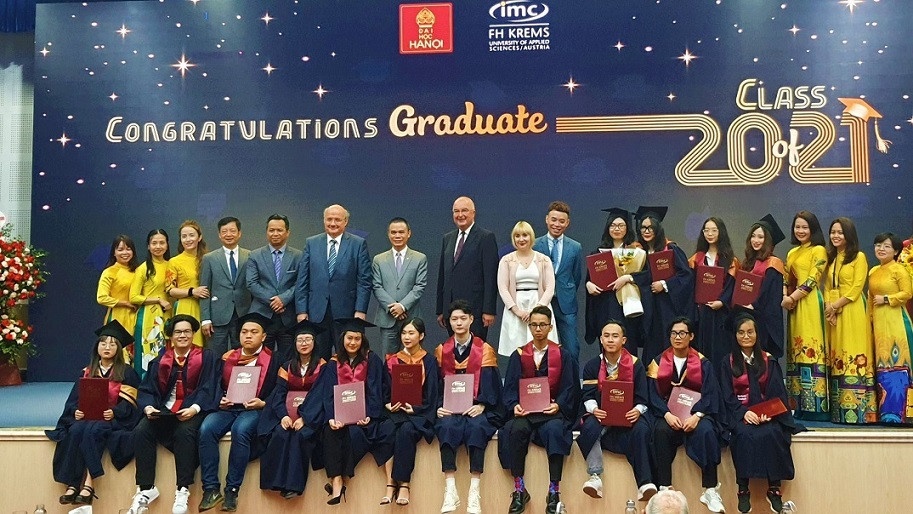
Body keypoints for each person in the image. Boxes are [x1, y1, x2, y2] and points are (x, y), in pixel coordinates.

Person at [125, 314, 219, 514]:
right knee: (142, 429)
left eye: (187, 331)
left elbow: (209, 387)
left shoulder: (206, 357)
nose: (182, 335)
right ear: (171, 336)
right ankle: (146, 489)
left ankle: (182, 490)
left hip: (192, 410)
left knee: (185, 432)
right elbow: (147, 389)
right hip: (165, 410)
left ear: (193, 334)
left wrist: (194, 408)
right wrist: (148, 407)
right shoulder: (161, 360)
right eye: (178, 332)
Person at [47, 320, 140, 507]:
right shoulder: (87, 372)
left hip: (110, 420)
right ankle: (73, 484)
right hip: (87, 418)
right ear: (97, 347)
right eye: (103, 343)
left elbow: (131, 404)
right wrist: (76, 411)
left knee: (93, 431)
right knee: (75, 430)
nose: (107, 347)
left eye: (112, 344)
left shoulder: (127, 373)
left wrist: (114, 412)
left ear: (119, 349)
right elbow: (73, 401)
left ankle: (89, 483)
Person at [498, 306, 579, 514]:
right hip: (526, 413)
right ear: (529, 326)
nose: (538, 329)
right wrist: (514, 405)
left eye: (543, 325)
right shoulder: (518, 355)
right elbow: (510, 388)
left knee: (555, 430)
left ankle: (554, 491)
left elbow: (570, 388)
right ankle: (519, 489)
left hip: (551, 412)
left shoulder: (562, 355)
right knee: (516, 429)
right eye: (534, 324)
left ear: (550, 327)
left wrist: (559, 405)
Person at [198, 312, 281, 512]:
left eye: (254, 332)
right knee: (206, 428)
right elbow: (215, 385)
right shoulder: (228, 357)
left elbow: (280, 390)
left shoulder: (275, 359)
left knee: (241, 429)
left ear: (263, 336)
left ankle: (232, 490)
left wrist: (263, 403)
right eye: (244, 332)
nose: (248, 336)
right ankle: (210, 488)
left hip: (255, 409)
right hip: (229, 408)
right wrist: (220, 399)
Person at [306, 317, 393, 505]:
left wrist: (368, 415)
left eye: (357, 339)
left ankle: (339, 482)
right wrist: (331, 418)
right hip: (340, 417)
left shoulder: (372, 360)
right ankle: (337, 481)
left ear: (363, 340)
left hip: (364, 419)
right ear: (342, 339)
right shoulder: (333, 363)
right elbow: (328, 395)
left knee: (353, 435)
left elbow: (376, 391)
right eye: (349, 338)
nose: (353, 342)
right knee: (330, 432)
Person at [718, 311, 796, 514]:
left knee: (773, 433)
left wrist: (768, 413)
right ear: (735, 335)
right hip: (740, 415)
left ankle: (774, 487)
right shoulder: (728, 362)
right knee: (743, 435)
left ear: (756, 334)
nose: (746, 336)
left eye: (750, 332)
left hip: (766, 416)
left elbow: (777, 393)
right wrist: (743, 413)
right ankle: (743, 488)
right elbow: (726, 395)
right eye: (741, 332)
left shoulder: (768, 361)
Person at [647, 317, 724, 513]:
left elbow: (710, 394)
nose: (677, 337)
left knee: (707, 431)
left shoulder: (703, 363)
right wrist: (666, 414)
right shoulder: (658, 362)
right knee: (660, 431)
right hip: (669, 416)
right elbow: (652, 395)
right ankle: (664, 487)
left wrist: (697, 416)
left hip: (695, 415)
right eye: (674, 333)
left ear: (691, 336)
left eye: (682, 333)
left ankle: (710, 489)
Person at [435, 299, 502, 514]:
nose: (458, 323)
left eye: (463, 318)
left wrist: (482, 405)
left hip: (475, 407)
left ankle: (474, 490)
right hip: (450, 408)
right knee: (446, 426)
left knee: (477, 427)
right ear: (449, 322)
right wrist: (438, 406)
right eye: (454, 319)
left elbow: (491, 386)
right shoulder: (441, 351)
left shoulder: (485, 350)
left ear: (471, 320)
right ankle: (450, 489)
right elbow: (435, 387)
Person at [577, 320, 656, 502]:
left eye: (615, 336)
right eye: (606, 336)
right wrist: (595, 409)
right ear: (601, 340)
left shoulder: (635, 364)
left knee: (642, 430)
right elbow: (587, 395)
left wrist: (637, 410)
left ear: (624, 340)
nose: (610, 340)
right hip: (602, 414)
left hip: (629, 414)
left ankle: (644, 483)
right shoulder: (592, 365)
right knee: (589, 427)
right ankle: (595, 476)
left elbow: (643, 397)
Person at [257, 320, 327, 499]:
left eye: (308, 339)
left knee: (301, 436)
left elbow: (320, 396)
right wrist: (283, 416)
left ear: (314, 342)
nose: (304, 343)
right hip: (288, 415)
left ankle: (294, 486)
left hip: (312, 417)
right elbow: (279, 394)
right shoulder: (286, 366)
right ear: (295, 343)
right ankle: (275, 482)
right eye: (300, 340)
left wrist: (305, 418)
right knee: (279, 434)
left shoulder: (323, 366)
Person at [295, 204, 373, 361]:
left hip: (346, 313)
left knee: (347, 358)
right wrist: (301, 311)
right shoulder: (311, 243)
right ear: (324, 220)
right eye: (329, 219)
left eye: (337, 219)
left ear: (346, 221)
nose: (333, 223)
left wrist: (360, 310)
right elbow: (303, 280)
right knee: (318, 359)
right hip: (317, 312)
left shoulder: (358, 244)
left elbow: (364, 280)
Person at [380, 317, 440, 506]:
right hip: (395, 411)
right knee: (387, 430)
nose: (406, 337)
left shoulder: (429, 361)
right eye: (404, 333)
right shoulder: (392, 360)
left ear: (421, 336)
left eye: (411, 333)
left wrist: (415, 408)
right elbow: (384, 391)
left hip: (418, 414)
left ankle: (404, 484)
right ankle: (390, 483)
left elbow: (433, 394)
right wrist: (387, 404)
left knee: (406, 431)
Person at [824, 217, 876, 424]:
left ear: (849, 235)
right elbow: (827, 287)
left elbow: (857, 287)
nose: (835, 236)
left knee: (853, 350)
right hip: (834, 312)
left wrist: (836, 305)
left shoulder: (858, 257)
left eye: (840, 232)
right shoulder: (831, 258)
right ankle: (839, 411)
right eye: (833, 232)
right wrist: (829, 307)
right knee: (837, 353)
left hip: (852, 309)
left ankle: (859, 412)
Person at [783, 210, 829, 421]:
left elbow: (813, 279)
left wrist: (791, 298)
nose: (800, 231)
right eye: (797, 226)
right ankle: (799, 404)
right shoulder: (792, 252)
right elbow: (786, 278)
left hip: (809, 303)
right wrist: (785, 296)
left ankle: (817, 407)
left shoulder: (818, 250)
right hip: (794, 306)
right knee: (796, 351)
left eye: (805, 227)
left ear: (813, 229)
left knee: (811, 349)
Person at [635, 207, 695, 364]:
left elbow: (686, 275)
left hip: (667, 307)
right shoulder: (638, 252)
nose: (646, 231)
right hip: (648, 308)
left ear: (657, 229)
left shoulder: (671, 249)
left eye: (650, 228)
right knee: (651, 346)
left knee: (667, 342)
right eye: (643, 228)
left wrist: (664, 284)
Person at [584, 207, 646, 354]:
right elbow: (589, 278)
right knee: (607, 343)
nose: (616, 229)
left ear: (627, 228)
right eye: (613, 225)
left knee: (627, 343)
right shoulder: (598, 253)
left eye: (621, 225)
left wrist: (628, 278)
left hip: (627, 306)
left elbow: (647, 276)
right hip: (604, 304)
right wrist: (588, 285)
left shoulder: (636, 252)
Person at [436, 196, 499, 339]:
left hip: (475, 311)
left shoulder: (485, 237)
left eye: (464, 210)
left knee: (475, 351)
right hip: (451, 311)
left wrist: (488, 310)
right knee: (453, 350)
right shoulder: (448, 238)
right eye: (456, 211)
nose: (460, 215)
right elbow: (443, 276)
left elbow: (490, 277)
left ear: (473, 213)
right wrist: (441, 309)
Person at [868, 232, 913, 424]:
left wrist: (886, 299)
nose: (881, 249)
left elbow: (907, 293)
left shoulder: (899, 269)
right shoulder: (873, 271)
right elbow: (870, 299)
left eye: (886, 246)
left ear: (895, 251)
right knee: (883, 365)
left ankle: (901, 415)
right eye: (878, 245)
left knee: (897, 365)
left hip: (897, 322)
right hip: (879, 324)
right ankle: (885, 414)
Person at [246, 214, 302, 361]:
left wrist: (283, 299)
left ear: (287, 232)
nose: (275, 234)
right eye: (271, 230)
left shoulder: (298, 256)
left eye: (279, 230)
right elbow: (251, 283)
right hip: (262, 316)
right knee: (260, 360)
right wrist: (274, 301)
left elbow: (301, 283)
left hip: (288, 316)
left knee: (288, 360)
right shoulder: (255, 255)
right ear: (266, 232)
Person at [533, 201, 584, 363]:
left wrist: (565, 290)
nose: (557, 224)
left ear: (567, 223)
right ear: (547, 219)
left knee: (572, 349)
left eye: (561, 221)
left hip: (566, 304)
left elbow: (576, 276)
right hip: (540, 301)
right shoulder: (534, 244)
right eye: (553, 220)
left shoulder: (575, 247)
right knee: (539, 348)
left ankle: (572, 380)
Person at [497, 221, 557, 357]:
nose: (521, 239)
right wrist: (517, 311)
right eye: (517, 236)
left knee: (541, 351)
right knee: (516, 352)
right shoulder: (506, 260)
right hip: (515, 309)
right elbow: (503, 288)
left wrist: (537, 310)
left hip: (540, 306)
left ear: (531, 237)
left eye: (525, 235)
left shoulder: (544, 260)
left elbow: (550, 288)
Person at [372, 217, 428, 356]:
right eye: (393, 232)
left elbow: (419, 286)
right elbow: (377, 286)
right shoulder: (379, 259)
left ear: (409, 233)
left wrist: (402, 306)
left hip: (411, 317)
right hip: (388, 318)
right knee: (389, 361)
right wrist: (393, 308)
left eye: (401, 232)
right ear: (388, 234)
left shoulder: (419, 258)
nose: (397, 235)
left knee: (413, 360)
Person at [689, 217, 739, 364]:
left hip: (722, 313)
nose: (709, 234)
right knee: (703, 350)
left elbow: (731, 285)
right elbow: (691, 285)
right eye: (706, 230)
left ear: (721, 232)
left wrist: (722, 302)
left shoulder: (730, 260)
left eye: (714, 230)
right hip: (702, 312)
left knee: (721, 350)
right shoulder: (696, 259)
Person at [736, 215, 786, 358]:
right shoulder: (747, 263)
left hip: (763, 321)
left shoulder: (774, 263)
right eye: (753, 236)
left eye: (760, 237)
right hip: (746, 317)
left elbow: (770, 294)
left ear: (768, 240)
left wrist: (754, 306)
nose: (756, 240)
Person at [200, 216, 251, 355]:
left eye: (232, 231)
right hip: (217, 317)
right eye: (224, 231)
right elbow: (204, 290)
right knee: (216, 356)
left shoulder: (250, 256)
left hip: (243, 315)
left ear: (239, 233)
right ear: (219, 235)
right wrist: (205, 319)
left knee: (242, 356)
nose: (228, 234)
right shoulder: (209, 258)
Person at [130, 229, 172, 378]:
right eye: (154, 243)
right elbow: (133, 297)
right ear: (148, 246)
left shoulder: (172, 265)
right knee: (149, 355)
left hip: (169, 315)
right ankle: (145, 387)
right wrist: (158, 299)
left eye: (162, 243)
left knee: (168, 354)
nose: (158, 246)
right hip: (149, 317)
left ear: (167, 245)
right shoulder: (143, 268)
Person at [166, 220, 209, 347]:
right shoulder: (174, 261)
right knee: (187, 344)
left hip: (207, 307)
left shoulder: (209, 258)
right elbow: (170, 290)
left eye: (191, 235)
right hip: (186, 306)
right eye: (184, 236)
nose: (188, 239)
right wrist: (192, 291)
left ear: (199, 237)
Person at [97, 235, 138, 341]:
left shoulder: (138, 271)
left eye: (128, 249)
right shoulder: (109, 272)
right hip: (118, 317)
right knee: (119, 347)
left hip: (137, 317)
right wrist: (125, 303)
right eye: (120, 250)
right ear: (114, 253)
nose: (125, 253)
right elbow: (101, 298)